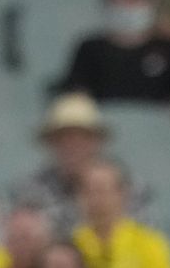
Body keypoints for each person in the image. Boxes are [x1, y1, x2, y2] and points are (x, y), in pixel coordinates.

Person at [53, 0, 170, 104]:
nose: (129, 5)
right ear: (107, 0)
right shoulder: (90, 49)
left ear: (151, 1)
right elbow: (75, 98)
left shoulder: (168, 48)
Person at [14, 94, 111, 235]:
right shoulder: (29, 192)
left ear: (96, 143)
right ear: (50, 144)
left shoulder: (126, 189)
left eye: (81, 138)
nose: (72, 146)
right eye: (63, 139)